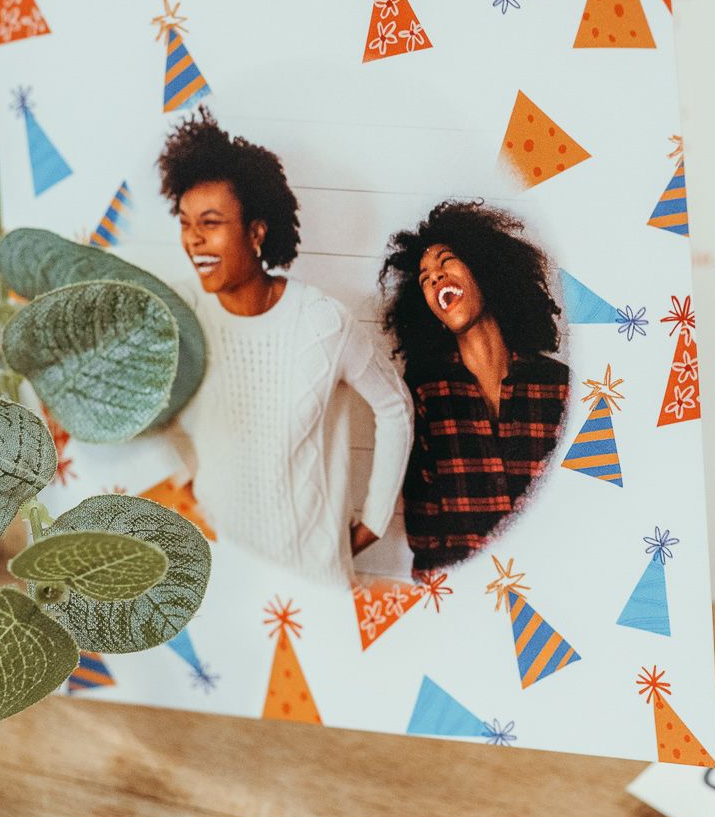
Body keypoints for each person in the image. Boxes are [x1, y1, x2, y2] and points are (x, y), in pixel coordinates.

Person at [157, 107, 411, 586]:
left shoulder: (321, 321)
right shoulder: (177, 314)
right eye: (186, 222)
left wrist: (375, 521)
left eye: (210, 222)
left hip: (313, 580)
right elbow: (140, 409)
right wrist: (182, 484)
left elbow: (395, 406)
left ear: (256, 231)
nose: (194, 240)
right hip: (220, 579)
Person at [380, 201, 570, 572]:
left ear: (484, 269)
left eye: (445, 262)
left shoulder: (560, 388)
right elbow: (425, 537)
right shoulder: (423, 394)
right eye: (423, 279)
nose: (433, 277)